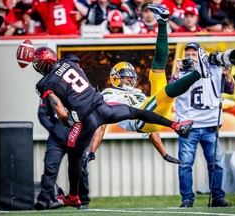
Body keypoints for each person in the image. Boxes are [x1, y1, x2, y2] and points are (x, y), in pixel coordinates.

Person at [22, 28, 193, 207]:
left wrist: (69, 123)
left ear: (42, 65)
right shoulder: (71, 61)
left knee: (74, 156)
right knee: (136, 112)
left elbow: (62, 113)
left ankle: (73, 197)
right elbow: (75, 72)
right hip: (103, 108)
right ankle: (175, 125)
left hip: (86, 119)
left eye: (37, 64)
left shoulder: (46, 83)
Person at [83, 3, 211, 168]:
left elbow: (154, 132)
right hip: (141, 121)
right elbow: (101, 126)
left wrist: (164, 154)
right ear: (116, 78)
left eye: (131, 78)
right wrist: (92, 151)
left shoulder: (138, 92)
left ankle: (162, 21)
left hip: (153, 114)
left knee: (157, 68)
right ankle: (198, 73)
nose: (130, 81)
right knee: (164, 93)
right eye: (126, 78)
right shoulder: (108, 94)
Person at [170, 42, 235, 208]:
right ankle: (187, 199)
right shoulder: (181, 73)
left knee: (216, 165)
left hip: (210, 126)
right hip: (188, 127)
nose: (190, 58)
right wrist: (176, 72)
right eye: (188, 55)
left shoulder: (213, 69)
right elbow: (169, 92)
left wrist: (227, 75)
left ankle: (218, 198)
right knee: (185, 165)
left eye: (194, 54)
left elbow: (230, 90)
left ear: (201, 56)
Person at [35, 98, 90, 210]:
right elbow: (42, 115)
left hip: (77, 140)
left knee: (81, 170)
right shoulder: (49, 93)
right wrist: (54, 129)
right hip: (56, 141)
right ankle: (44, 200)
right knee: (50, 170)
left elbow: (89, 115)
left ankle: (83, 201)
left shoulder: (78, 91)